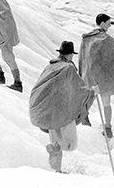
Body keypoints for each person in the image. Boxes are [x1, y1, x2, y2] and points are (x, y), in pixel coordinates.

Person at [29, 41, 95, 173]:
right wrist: (93, 92)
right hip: (63, 110)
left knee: (55, 139)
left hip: (48, 109)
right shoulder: (68, 68)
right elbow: (79, 89)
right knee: (69, 143)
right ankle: (56, 155)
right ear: (71, 54)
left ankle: (56, 169)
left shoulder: (51, 66)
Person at [78, 13, 114, 139]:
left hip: (90, 75)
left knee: (90, 98)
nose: (110, 24)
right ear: (102, 23)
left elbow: (83, 58)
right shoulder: (106, 39)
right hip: (104, 76)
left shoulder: (86, 38)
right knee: (106, 102)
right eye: (108, 22)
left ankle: (84, 118)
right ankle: (107, 127)